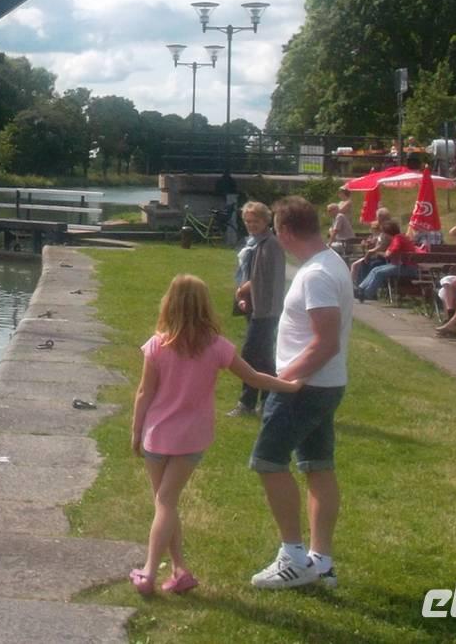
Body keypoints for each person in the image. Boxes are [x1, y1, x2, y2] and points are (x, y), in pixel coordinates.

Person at [129, 274, 301, 596]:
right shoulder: (217, 347)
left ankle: (149, 571)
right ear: (204, 306)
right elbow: (253, 377)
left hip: (157, 434)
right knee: (167, 503)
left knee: (164, 502)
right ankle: (180, 570)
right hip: (193, 438)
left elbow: (143, 393)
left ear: (169, 304)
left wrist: (136, 430)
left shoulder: (157, 346)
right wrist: (288, 385)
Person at [248, 196, 353, 591]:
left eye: (277, 229)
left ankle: (292, 557)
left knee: (268, 462)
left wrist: (279, 380)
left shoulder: (316, 275)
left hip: (304, 388)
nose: (276, 236)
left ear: (288, 231)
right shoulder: (328, 264)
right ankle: (321, 563)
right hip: (322, 385)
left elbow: (325, 343)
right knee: (317, 465)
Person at [229, 202, 287, 418]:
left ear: (266, 221)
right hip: (255, 305)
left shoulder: (270, 244)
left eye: (256, 221)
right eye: (247, 221)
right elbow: (247, 273)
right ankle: (263, 402)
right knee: (261, 356)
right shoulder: (254, 243)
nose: (251, 225)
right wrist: (243, 298)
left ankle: (253, 402)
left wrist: (242, 290)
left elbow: (260, 278)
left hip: (267, 308)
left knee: (252, 354)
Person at [355, 220, 418, 302]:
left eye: (384, 232)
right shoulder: (399, 237)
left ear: (388, 233)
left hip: (405, 267)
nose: (383, 235)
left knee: (379, 273)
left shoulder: (397, 239)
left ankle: (366, 294)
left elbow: (389, 254)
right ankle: (361, 288)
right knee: (375, 269)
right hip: (400, 265)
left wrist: (379, 253)